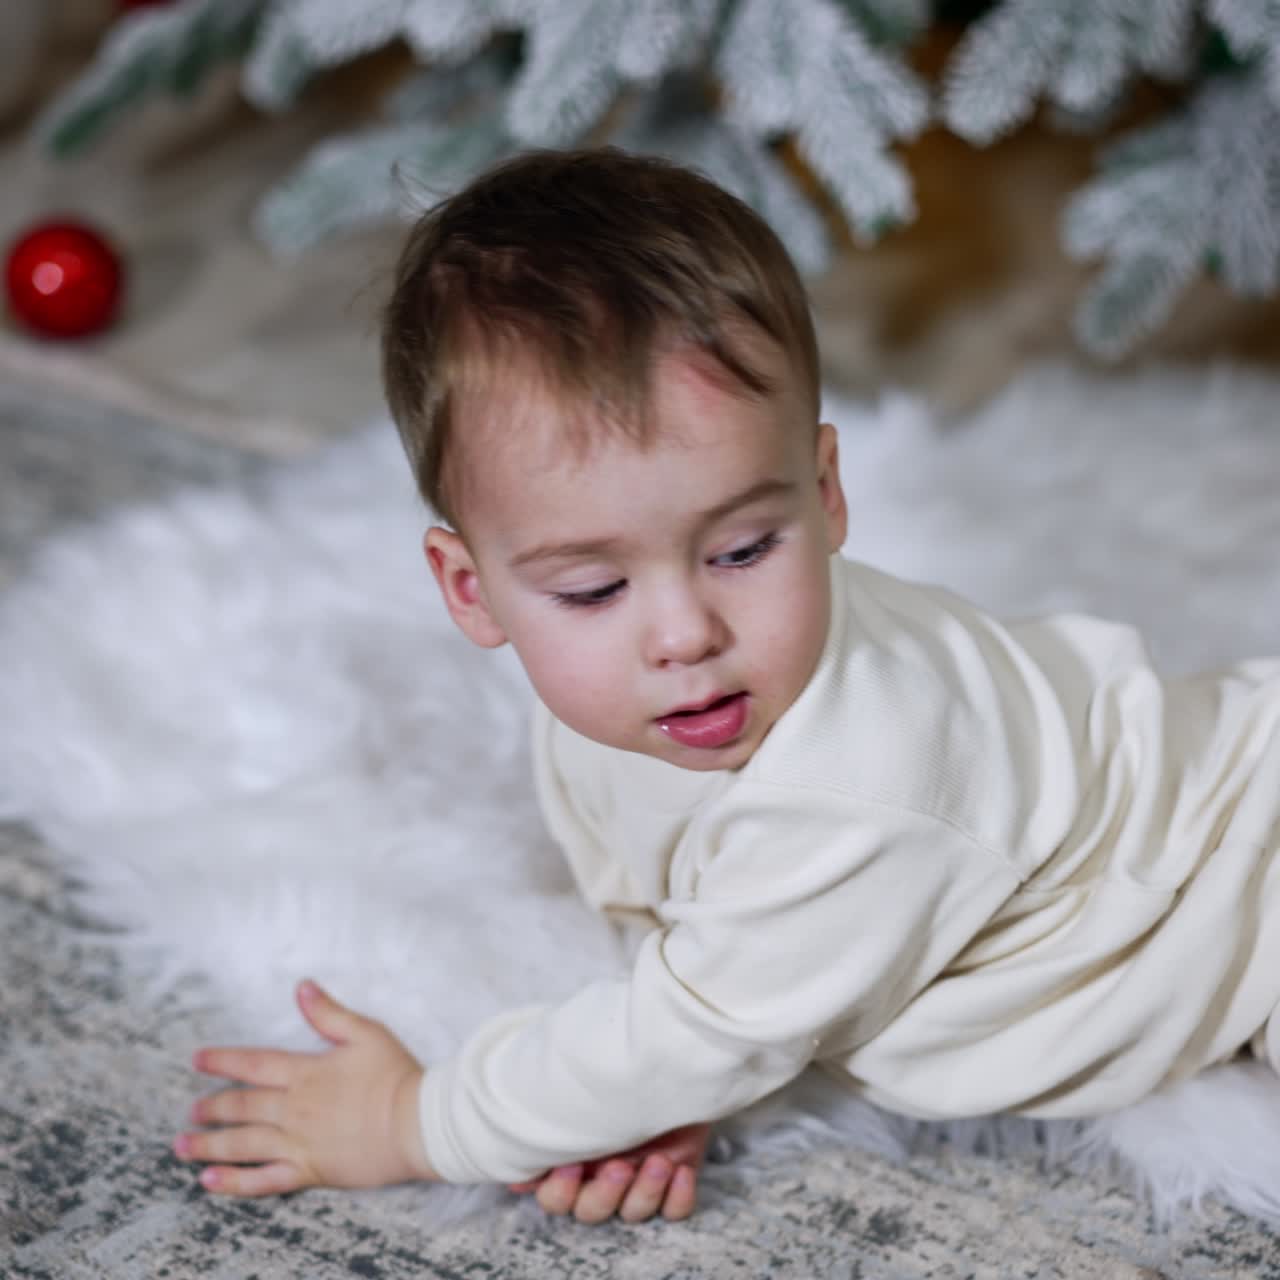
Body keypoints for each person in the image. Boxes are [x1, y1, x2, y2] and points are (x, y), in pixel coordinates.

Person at [173, 148, 1280, 1225]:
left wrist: (417, 1120)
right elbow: (720, 984)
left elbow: (697, 1026)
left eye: (743, 549)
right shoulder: (645, 707)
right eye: (594, 584)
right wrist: (687, 1078)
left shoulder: (857, 780)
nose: (683, 632)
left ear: (825, 491)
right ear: (472, 592)